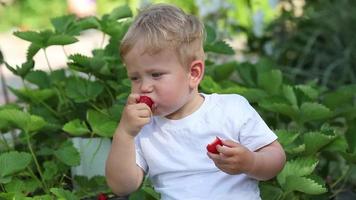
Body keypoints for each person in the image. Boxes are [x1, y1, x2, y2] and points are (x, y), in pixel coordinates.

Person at [105, 3, 286, 200]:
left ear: (193, 73)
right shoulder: (144, 129)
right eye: (135, 78)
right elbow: (122, 187)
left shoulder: (231, 109)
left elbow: (276, 159)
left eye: (155, 75)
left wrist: (251, 163)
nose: (144, 86)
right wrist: (124, 133)